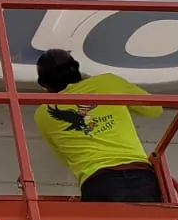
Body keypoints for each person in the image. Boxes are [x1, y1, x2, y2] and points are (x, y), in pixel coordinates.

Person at [32, 49, 164, 202]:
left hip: (98, 182)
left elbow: (65, 159)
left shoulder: (44, 113)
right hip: (141, 175)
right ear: (77, 70)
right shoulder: (107, 83)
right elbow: (155, 109)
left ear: (45, 84)